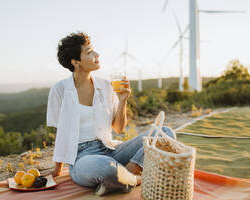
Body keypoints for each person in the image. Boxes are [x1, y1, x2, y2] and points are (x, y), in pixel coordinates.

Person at [46, 32, 177, 196]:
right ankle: (134, 178)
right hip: (82, 159)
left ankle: (127, 174)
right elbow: (62, 133)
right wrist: (57, 171)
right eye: (89, 52)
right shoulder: (60, 90)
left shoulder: (106, 86)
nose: (97, 54)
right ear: (76, 62)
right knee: (106, 167)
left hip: (110, 149)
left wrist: (123, 100)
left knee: (165, 133)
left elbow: (119, 128)